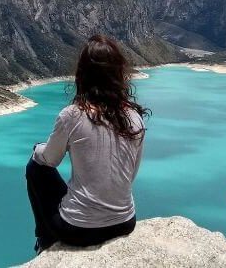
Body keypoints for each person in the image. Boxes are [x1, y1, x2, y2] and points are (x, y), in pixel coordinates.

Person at [25, 34, 149, 254]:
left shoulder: (72, 115)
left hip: (79, 229)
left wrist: (37, 149)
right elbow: (131, 174)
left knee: (35, 168)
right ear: (119, 74)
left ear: (82, 74)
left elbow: (49, 160)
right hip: (125, 222)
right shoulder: (134, 118)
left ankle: (44, 239)